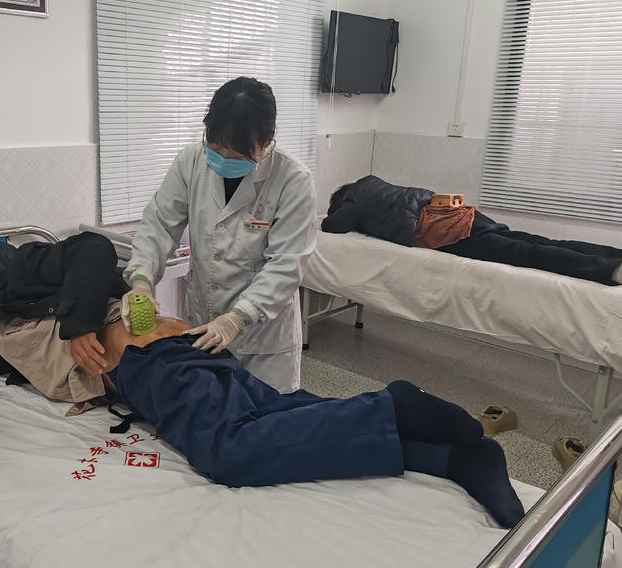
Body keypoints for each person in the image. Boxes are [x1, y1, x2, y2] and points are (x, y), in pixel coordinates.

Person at [99, 319, 526, 530]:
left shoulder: (66, 293)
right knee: (278, 414)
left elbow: (91, 253)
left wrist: (81, 319)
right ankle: (452, 459)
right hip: (191, 353)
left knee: (227, 449)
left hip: (157, 362)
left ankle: (394, 407)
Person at [121, 77, 318, 393]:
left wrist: (237, 317)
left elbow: (286, 264)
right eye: (215, 147)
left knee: (263, 413)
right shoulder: (190, 162)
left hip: (262, 342)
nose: (223, 157)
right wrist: (141, 279)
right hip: (202, 321)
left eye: (237, 154)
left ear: (268, 140)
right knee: (207, 407)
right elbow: (159, 224)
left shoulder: (292, 180)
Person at [322, 175, 622, 286]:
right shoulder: (376, 184)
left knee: (525, 253)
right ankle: (612, 256)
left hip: (446, 230)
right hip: (459, 213)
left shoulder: (356, 197)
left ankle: (608, 270)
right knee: (535, 241)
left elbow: (332, 225)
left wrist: (334, 212)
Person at [0, 232, 130, 414]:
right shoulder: (1, 330)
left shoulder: (23, 268)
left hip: (116, 330)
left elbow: (94, 246)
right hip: (112, 383)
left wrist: (80, 329)